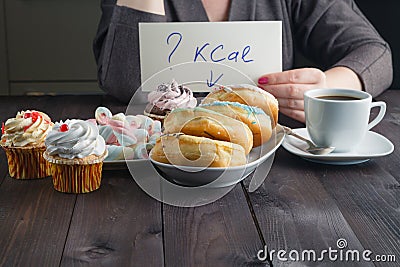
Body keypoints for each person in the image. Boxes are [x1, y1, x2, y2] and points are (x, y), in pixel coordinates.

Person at [94, 0, 393, 122]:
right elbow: (124, 80)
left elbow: (375, 54)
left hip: (275, 167)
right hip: (161, 166)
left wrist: (325, 89)